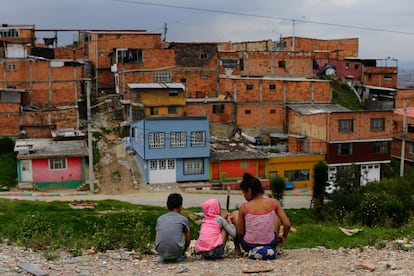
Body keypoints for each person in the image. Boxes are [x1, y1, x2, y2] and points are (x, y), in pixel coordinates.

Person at [232, 173, 291, 258]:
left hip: (249, 246)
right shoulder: (273, 202)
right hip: (271, 243)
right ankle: (277, 247)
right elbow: (287, 224)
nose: (244, 196)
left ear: (249, 191)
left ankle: (237, 249)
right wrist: (283, 237)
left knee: (234, 214)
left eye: (244, 193)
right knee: (275, 215)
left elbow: (240, 233)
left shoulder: (244, 207)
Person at [155, 193, 190, 262]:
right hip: (177, 254)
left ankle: (165, 256)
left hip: (161, 253)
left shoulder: (160, 219)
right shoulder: (183, 219)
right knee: (183, 231)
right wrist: (184, 250)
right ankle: (179, 255)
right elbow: (188, 239)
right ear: (180, 207)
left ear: (167, 207)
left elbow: (156, 237)